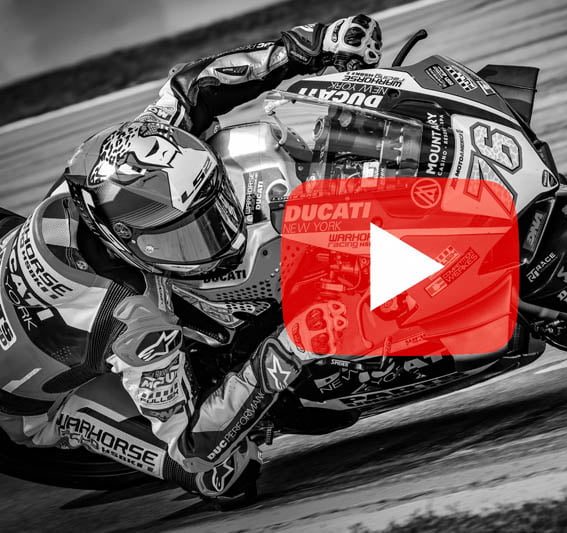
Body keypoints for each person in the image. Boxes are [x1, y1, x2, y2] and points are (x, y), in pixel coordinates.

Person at [0, 14, 382, 504]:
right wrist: (292, 346)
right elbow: (192, 445)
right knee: (222, 475)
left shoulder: (119, 163)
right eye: (186, 237)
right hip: (31, 403)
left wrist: (309, 45)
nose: (220, 239)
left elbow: (191, 87)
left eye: (213, 216)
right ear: (126, 240)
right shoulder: (137, 320)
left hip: (14, 258)